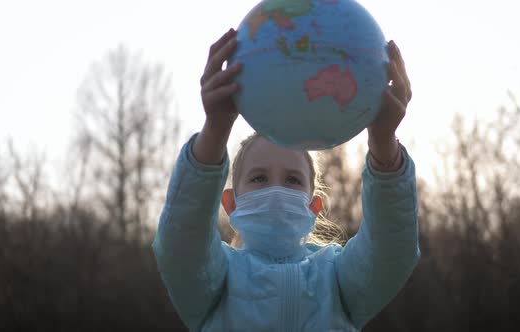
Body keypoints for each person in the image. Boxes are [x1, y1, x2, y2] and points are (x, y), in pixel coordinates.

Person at [152, 28, 419, 331]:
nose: (276, 189)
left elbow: (391, 251)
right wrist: (215, 128)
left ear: (314, 206)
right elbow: (180, 243)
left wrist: (384, 142)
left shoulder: (338, 279)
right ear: (231, 203)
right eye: (259, 178)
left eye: (292, 180)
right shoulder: (215, 279)